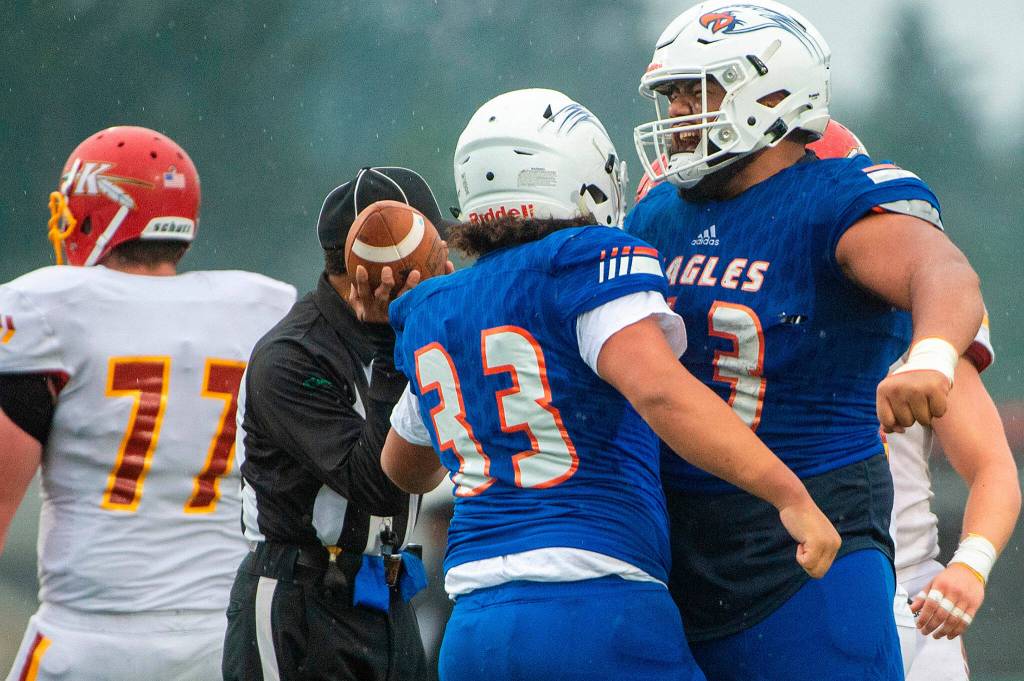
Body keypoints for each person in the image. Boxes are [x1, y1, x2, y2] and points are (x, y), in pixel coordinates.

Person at [379, 88, 839, 681]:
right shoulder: (584, 261)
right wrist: (790, 495)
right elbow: (661, 392)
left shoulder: (435, 307)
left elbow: (405, 468)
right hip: (594, 605)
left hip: (473, 629)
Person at [627, 2, 985, 679]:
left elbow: (942, 270)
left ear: (770, 91)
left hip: (810, 549)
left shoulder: (833, 199)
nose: (676, 114)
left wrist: (935, 357)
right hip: (677, 543)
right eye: (671, 94)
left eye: (694, 90)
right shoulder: (656, 213)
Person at [0, 126, 296, 681]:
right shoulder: (261, 309)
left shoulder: (48, 309)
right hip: (223, 637)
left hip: (89, 638)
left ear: (94, 211)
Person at [807, 122, 1021, 680]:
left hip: (900, 598)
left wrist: (969, 567)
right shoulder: (710, 313)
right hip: (752, 591)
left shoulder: (917, 317)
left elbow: (993, 469)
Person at [222, 166, 452, 681]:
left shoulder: (415, 331)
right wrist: (396, 348)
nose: (446, 269)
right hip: (302, 602)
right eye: (432, 258)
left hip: (387, 592)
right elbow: (379, 485)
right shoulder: (292, 356)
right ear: (389, 266)